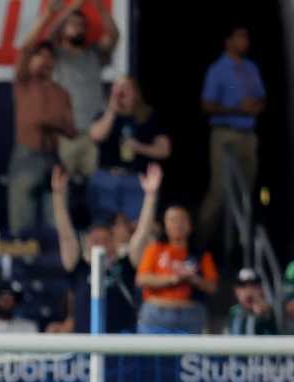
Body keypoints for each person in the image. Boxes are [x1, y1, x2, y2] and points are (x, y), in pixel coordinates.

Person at [52, 164, 156, 334]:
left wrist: (151, 196)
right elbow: (65, 234)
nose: (100, 244)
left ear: (114, 243)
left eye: (105, 240)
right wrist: (58, 195)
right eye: (95, 240)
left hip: (121, 344)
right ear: (87, 244)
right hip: (85, 344)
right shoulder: (79, 267)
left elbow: (142, 234)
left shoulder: (126, 265)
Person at [40, 0, 120, 178]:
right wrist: (74, 6)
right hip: (65, 135)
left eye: (82, 25)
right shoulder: (57, 55)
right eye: (73, 24)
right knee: (63, 187)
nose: (78, 28)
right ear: (64, 28)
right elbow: (49, 35)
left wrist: (100, 7)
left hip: (94, 134)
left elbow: (114, 35)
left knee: (95, 189)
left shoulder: (95, 54)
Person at [198, 25, 265, 236]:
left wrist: (255, 107)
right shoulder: (218, 69)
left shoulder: (251, 68)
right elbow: (206, 105)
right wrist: (237, 109)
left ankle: (239, 247)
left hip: (248, 135)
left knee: (245, 193)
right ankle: (201, 241)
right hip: (225, 134)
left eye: (246, 37)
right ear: (228, 41)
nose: (245, 42)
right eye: (240, 37)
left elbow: (261, 97)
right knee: (220, 190)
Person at [8, 37, 77, 233]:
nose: (45, 61)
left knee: (57, 223)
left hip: (53, 157)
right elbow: (25, 48)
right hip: (26, 156)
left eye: (49, 57)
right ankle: (22, 262)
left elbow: (71, 130)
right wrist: (47, 16)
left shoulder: (61, 93)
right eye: (39, 56)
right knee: (21, 224)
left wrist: (54, 123)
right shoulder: (23, 84)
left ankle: (56, 261)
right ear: (30, 60)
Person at [88, 77, 170, 222]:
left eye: (125, 88)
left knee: (136, 225)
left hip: (136, 180)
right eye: (117, 88)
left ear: (136, 93)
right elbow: (96, 136)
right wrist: (112, 111)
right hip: (106, 178)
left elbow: (164, 149)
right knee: (103, 224)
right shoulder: (104, 115)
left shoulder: (148, 116)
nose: (120, 92)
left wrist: (139, 147)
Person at [135, 205, 217, 334]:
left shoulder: (201, 255)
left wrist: (193, 280)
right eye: (172, 220)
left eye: (182, 219)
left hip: (190, 316)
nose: (178, 224)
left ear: (190, 225)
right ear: (165, 225)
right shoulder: (154, 250)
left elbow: (212, 287)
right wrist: (173, 279)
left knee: (190, 354)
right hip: (157, 314)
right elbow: (142, 279)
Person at [225, 268, 278, 336]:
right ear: (236, 290)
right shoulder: (234, 311)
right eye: (243, 286)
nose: (248, 291)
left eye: (253, 286)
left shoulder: (267, 311)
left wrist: (264, 315)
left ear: (261, 289)